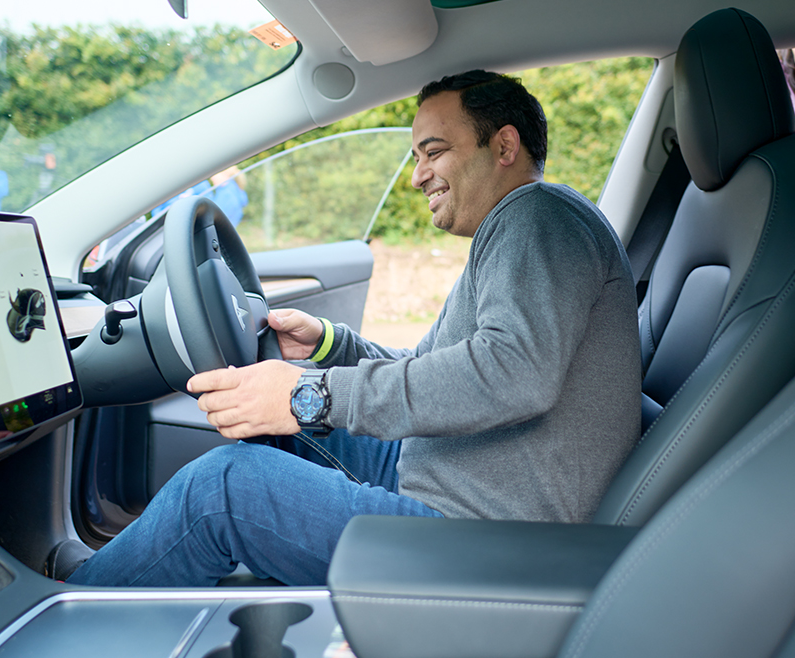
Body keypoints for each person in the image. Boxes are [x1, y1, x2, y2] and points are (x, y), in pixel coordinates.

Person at [67, 70, 641, 588]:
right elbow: (437, 366)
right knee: (267, 435)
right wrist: (328, 346)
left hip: (482, 531)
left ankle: (76, 606)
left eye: (433, 152)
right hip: (454, 473)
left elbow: (513, 375)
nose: (418, 176)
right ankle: (135, 572)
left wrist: (306, 394)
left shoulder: (537, 218)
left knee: (222, 487)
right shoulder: (527, 227)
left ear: (505, 145)